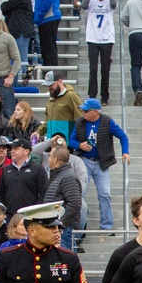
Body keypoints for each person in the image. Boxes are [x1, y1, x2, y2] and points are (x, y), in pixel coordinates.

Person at [68, 99, 130, 230]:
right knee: (79, 193)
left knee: (105, 194)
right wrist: (79, 145)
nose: (83, 112)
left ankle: (106, 225)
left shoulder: (107, 121)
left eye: (86, 110)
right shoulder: (79, 122)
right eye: (83, 110)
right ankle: (77, 225)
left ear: (96, 111)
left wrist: (125, 152)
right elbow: (71, 140)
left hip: (101, 163)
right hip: (83, 161)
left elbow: (123, 136)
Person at [42, 145, 82, 251]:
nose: (48, 159)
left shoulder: (68, 177)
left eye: (50, 156)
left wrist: (60, 223)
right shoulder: (58, 175)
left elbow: (75, 204)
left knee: (65, 262)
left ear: (55, 160)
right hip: (56, 227)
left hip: (64, 230)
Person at [34, 0, 62, 67]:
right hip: (46, 18)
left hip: (48, 17)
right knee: (46, 49)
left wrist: (40, 13)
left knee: (49, 49)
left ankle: (53, 75)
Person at [41, 71, 84, 141]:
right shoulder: (51, 98)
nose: (49, 88)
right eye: (47, 86)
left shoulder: (71, 96)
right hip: (51, 141)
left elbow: (80, 118)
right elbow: (48, 119)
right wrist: (39, 132)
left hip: (67, 142)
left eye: (51, 85)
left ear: (60, 81)